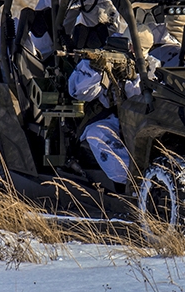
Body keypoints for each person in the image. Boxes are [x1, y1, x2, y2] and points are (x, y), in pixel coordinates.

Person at [67, 25, 157, 185]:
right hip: (108, 116)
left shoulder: (152, 64)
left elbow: (147, 96)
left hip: (141, 118)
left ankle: (154, 178)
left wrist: (133, 78)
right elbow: (79, 92)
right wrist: (99, 72)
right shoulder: (100, 57)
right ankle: (131, 183)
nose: (136, 53)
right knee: (97, 134)